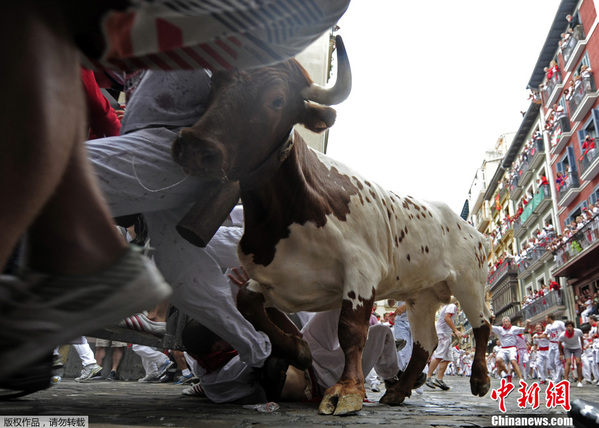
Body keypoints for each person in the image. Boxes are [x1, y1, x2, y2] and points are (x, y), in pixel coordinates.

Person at [0, 0, 350, 390]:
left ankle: (94, 277)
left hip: (175, 148)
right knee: (184, 277)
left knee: (30, 177)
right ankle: (262, 354)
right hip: (158, 147)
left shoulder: (209, 30)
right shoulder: (139, 49)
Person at [425, 301, 463, 391]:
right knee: (439, 356)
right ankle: (428, 377)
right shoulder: (452, 306)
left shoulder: (446, 306)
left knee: (447, 358)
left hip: (446, 334)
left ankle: (439, 379)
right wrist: (456, 330)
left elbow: (443, 320)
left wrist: (450, 331)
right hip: (443, 335)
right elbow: (447, 318)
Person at [490, 317, 531, 383]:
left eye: (507, 322)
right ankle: (508, 373)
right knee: (498, 360)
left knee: (513, 361)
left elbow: (525, 329)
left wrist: (528, 323)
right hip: (503, 348)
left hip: (512, 348)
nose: (505, 323)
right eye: (504, 322)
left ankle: (521, 379)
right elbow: (490, 326)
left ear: (509, 322)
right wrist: (492, 319)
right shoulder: (500, 329)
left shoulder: (514, 328)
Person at [559, 320, 584, 388]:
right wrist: (561, 353)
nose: (568, 328)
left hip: (577, 348)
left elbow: (581, 338)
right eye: (567, 326)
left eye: (570, 326)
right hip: (567, 348)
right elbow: (559, 343)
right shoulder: (562, 335)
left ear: (573, 327)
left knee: (578, 362)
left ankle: (579, 381)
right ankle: (566, 380)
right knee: (568, 362)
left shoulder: (578, 331)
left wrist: (582, 347)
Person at [545, 313, 566, 382]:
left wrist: (562, 338)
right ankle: (559, 373)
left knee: (557, 361)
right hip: (551, 344)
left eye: (546, 318)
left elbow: (565, 330)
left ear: (550, 318)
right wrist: (537, 336)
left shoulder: (559, 323)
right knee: (551, 362)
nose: (545, 319)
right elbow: (545, 334)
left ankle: (558, 378)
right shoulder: (548, 326)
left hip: (558, 344)